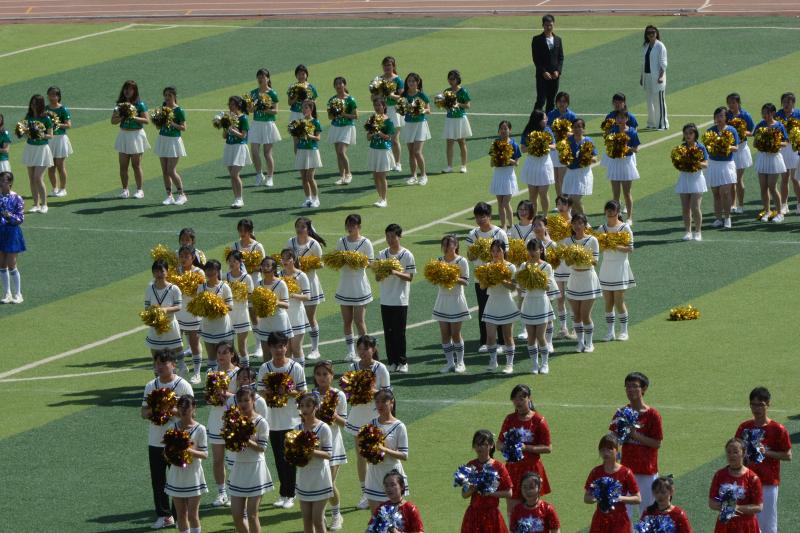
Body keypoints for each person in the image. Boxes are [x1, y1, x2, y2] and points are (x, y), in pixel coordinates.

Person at [140, 351, 194, 531]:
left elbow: (190, 414)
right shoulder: (151, 385)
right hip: (155, 440)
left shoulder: (183, 386)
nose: (160, 367)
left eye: (164, 363)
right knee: (158, 480)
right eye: (157, 363)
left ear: (173, 364)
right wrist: (156, 409)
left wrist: (169, 408)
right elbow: (143, 413)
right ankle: (164, 516)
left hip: (177, 441)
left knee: (179, 479)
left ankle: (180, 515)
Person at [256, 332, 307, 509]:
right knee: (278, 458)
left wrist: (287, 392)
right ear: (269, 348)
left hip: (291, 420)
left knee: (289, 458)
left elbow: (303, 393)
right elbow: (260, 391)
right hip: (272, 421)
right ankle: (283, 493)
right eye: (275, 347)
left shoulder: (295, 368)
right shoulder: (265, 368)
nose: (279, 350)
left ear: (286, 347)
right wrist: (270, 392)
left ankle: (290, 493)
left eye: (282, 346)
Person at [734, 386, 792, 533]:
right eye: (753, 404)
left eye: (760, 404)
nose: (756, 409)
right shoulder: (744, 427)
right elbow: (735, 451)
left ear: (768, 404)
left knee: (767, 525)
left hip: (768, 483)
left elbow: (787, 455)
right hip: (746, 482)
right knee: (745, 523)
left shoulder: (778, 429)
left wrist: (766, 452)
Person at [345, 335, 391, 509]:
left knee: (377, 455)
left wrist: (371, 391)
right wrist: (354, 392)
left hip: (375, 417)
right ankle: (365, 493)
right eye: (360, 349)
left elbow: (388, 396)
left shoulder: (381, 369)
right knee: (361, 457)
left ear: (373, 349)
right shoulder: (353, 367)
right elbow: (348, 393)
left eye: (366, 349)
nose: (363, 352)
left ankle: (381, 491)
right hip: (358, 416)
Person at [609, 372, 663, 520]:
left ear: (644, 389)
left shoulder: (653, 415)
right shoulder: (621, 413)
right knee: (622, 513)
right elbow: (612, 438)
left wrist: (634, 435)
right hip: (625, 470)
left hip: (647, 471)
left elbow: (657, 443)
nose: (630, 390)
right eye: (627, 387)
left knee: (648, 513)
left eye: (634, 386)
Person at [498, 384, 552, 519]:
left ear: (529, 399)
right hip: (513, 470)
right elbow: (499, 444)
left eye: (522, 398)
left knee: (533, 511)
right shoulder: (509, 419)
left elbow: (548, 448)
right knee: (513, 513)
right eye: (515, 399)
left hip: (532, 470)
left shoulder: (539, 420)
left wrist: (526, 448)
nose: (518, 402)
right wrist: (509, 447)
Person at [228, 387, 272, 533]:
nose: (243, 404)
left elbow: (262, 448)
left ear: (253, 400)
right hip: (239, 468)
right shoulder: (233, 421)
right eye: (240, 401)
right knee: (237, 516)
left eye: (246, 400)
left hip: (255, 469)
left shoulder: (261, 422)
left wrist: (245, 439)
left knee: (252, 515)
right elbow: (231, 445)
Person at [466, 202, 508, 353]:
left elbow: (506, 255)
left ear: (489, 216)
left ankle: (503, 342)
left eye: (483, 216)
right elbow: (470, 257)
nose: (480, 220)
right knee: (483, 309)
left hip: (498, 278)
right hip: (481, 279)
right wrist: (479, 251)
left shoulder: (499, 233)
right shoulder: (473, 234)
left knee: (501, 308)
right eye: (477, 217)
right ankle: (485, 341)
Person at [312, 361, 348, 531]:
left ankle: (336, 515)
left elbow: (345, 423)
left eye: (325, 374)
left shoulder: (339, 395)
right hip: (316, 444)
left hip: (333, 444)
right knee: (319, 483)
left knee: (329, 483)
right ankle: (321, 516)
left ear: (332, 376)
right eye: (318, 374)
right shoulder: (311, 395)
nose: (322, 377)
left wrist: (333, 415)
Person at [165, 395, 208, 533]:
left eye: (186, 407)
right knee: (181, 515)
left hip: (193, 474)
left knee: (192, 515)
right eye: (180, 407)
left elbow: (205, 454)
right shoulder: (172, 427)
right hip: (177, 474)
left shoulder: (200, 429)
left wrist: (187, 450)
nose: (183, 410)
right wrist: (172, 455)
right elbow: (166, 452)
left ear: (193, 408)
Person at [335, 214, 374, 361]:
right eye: (348, 225)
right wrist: (342, 260)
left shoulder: (365, 242)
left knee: (359, 321)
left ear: (359, 226)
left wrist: (358, 261)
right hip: (345, 286)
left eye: (353, 225)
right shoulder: (341, 241)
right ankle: (351, 351)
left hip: (359, 286)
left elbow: (371, 263)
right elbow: (336, 260)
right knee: (347, 321)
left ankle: (364, 351)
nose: (350, 227)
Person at [377, 223, 416, 373]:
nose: (390, 239)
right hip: (385, 299)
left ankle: (402, 361)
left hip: (400, 300)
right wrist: (382, 272)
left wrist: (394, 272)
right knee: (388, 332)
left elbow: (410, 277)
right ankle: (392, 361)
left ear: (400, 237)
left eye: (393, 236)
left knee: (399, 333)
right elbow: (377, 277)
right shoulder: (382, 254)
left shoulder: (407, 255)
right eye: (387, 236)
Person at [584, 434, 641, 533]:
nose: (605, 452)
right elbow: (586, 498)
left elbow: (638, 498)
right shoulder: (596, 472)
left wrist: (618, 498)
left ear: (617, 450)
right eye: (602, 449)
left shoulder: (626, 472)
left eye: (610, 449)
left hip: (620, 521)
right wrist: (598, 497)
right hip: (600, 519)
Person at [294, 392, 334, 533]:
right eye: (302, 406)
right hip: (304, 477)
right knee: (307, 519)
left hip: (320, 478)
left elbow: (328, 454)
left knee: (317, 519)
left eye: (308, 405)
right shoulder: (297, 429)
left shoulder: (323, 428)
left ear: (316, 407)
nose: (304, 409)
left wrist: (309, 450)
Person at [460, 429, 513, 533]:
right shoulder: (470, 465)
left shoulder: (499, 466)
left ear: (491, 445)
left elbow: (509, 493)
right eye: (477, 444)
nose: (480, 447)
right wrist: (473, 488)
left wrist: (490, 493)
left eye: (483, 444)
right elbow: (464, 494)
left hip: (492, 515)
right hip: (473, 515)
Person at [207, 342, 239, 509]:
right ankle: (222, 492)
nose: (221, 355)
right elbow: (208, 397)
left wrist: (224, 394)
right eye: (219, 352)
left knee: (234, 460)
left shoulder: (239, 373)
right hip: (216, 419)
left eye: (225, 352)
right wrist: (212, 397)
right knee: (218, 460)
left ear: (232, 354)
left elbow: (244, 397)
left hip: (234, 420)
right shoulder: (212, 372)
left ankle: (235, 493)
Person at [364, 390, 409, 511]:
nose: (380, 405)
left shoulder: (399, 426)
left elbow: (404, 455)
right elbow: (365, 450)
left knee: (395, 518)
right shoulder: (371, 423)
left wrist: (384, 450)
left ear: (392, 403)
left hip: (393, 477)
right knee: (376, 518)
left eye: (384, 401)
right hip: (374, 475)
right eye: (377, 401)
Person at [288, 217, 326, 359]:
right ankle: (294, 348)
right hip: (294, 285)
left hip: (310, 284)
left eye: (303, 227)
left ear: (308, 229)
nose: (300, 229)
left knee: (310, 318)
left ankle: (315, 349)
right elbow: (285, 259)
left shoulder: (314, 244)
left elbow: (320, 264)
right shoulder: (291, 242)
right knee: (293, 317)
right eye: (298, 226)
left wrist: (308, 264)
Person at [597, 201, 635, 342]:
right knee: (608, 302)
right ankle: (610, 331)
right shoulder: (602, 229)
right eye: (608, 210)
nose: (610, 213)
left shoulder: (625, 228)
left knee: (619, 301)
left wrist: (614, 245)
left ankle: (624, 331)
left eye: (612, 210)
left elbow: (630, 248)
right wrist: (604, 244)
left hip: (620, 267)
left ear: (618, 212)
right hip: (606, 267)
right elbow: (598, 248)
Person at [433, 234, 471, 373]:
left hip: (456, 299)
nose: (446, 247)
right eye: (444, 245)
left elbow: (466, 281)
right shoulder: (439, 261)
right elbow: (434, 279)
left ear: (456, 245)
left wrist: (452, 277)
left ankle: (460, 362)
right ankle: (450, 362)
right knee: (445, 334)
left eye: (449, 244)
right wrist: (437, 277)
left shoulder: (461, 261)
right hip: (442, 299)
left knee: (455, 334)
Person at [518, 239, 557, 374]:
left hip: (541, 302)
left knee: (540, 336)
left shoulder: (547, 266)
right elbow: (521, 286)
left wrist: (537, 278)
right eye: (529, 250)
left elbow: (548, 287)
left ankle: (545, 364)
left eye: (534, 249)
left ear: (541, 250)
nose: (532, 252)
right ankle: (535, 364)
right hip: (529, 302)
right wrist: (525, 280)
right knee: (531, 337)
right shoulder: (524, 266)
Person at [708, 438, 763, 533]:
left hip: (746, 526)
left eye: (735, 452)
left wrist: (736, 508)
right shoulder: (719, 475)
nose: (731, 455)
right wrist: (724, 507)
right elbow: (711, 502)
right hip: (725, 525)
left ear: (743, 453)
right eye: (728, 452)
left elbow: (758, 507)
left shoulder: (752, 478)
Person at [563, 213, 600, 352]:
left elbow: (595, 261)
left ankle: (589, 343)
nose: (577, 226)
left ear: (585, 224)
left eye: (580, 223)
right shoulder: (567, 241)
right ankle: (580, 343)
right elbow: (567, 263)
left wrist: (582, 256)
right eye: (574, 223)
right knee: (576, 315)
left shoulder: (592, 240)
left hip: (588, 279)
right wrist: (573, 258)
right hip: (574, 279)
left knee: (585, 315)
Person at [481, 240, 518, 374]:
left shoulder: (511, 267)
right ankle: (493, 361)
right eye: (493, 251)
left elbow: (513, 287)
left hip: (506, 302)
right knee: (490, 337)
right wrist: (488, 279)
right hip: (492, 302)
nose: (495, 253)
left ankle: (509, 364)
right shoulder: (487, 266)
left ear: (504, 251)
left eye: (498, 251)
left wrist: (501, 279)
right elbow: (482, 287)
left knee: (507, 336)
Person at [111, 80, 149, 199]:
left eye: (130, 89)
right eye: (126, 88)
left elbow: (146, 120)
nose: (127, 91)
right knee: (123, 165)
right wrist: (122, 117)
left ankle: (140, 190)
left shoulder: (140, 104)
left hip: (136, 135)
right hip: (124, 135)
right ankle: (125, 190)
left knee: (136, 165)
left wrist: (133, 117)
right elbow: (113, 121)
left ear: (134, 91)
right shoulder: (120, 105)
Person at [705, 107, 740, 229]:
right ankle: (718, 219)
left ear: (726, 118)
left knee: (725, 192)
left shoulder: (731, 130)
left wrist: (725, 146)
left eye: (721, 116)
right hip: (714, 165)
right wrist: (714, 146)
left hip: (726, 165)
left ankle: (727, 218)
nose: (718, 118)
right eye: (717, 116)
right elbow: (706, 148)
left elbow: (736, 147)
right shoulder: (710, 131)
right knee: (716, 194)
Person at [753, 103, 788, 223]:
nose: (764, 115)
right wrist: (761, 143)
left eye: (767, 113)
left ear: (773, 113)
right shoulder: (760, 125)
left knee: (772, 186)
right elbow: (755, 142)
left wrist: (774, 143)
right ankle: (767, 211)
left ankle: (780, 213)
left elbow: (786, 142)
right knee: (763, 187)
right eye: (763, 113)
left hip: (774, 158)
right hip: (762, 157)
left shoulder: (779, 126)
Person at [174, 245, 205, 382]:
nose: (183, 259)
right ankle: (182, 366)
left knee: (194, 343)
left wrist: (192, 290)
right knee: (176, 341)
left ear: (193, 258)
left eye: (186, 256)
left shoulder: (199, 272)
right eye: (181, 256)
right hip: (179, 311)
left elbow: (202, 292)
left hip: (193, 312)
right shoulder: (176, 271)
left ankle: (197, 373)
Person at [197, 259, 234, 374]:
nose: (209, 272)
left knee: (226, 356)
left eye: (212, 270)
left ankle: (229, 378)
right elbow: (198, 307)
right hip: (208, 326)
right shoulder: (201, 287)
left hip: (223, 327)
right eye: (207, 270)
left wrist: (217, 306)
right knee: (212, 357)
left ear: (218, 271)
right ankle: (213, 380)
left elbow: (230, 306)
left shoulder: (224, 287)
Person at [604, 111, 641, 224]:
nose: (620, 120)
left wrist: (625, 148)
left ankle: (629, 217)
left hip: (626, 162)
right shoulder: (613, 130)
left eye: (622, 118)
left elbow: (636, 149)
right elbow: (608, 145)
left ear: (626, 119)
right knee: (616, 193)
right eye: (618, 118)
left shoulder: (632, 132)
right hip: (615, 162)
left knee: (627, 193)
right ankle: (617, 216)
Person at [153, 86, 187, 206]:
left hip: (173, 141)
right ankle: (169, 196)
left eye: (169, 95)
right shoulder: (163, 109)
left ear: (174, 97)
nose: (167, 98)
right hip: (163, 139)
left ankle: (182, 195)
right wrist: (158, 121)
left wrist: (172, 123)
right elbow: (159, 126)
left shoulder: (179, 110)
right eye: (165, 95)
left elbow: (184, 127)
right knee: (164, 171)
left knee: (171, 170)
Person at [674, 123, 709, 241]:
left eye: (691, 133)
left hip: (697, 179)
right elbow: (677, 164)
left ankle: (698, 232)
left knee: (695, 207)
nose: (688, 135)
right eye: (686, 133)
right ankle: (688, 232)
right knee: (685, 208)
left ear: (695, 134)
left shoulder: (701, 147)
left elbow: (706, 164)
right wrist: (683, 163)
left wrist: (694, 162)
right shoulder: (681, 148)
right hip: (684, 178)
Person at [248, 68, 281, 187]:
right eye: (259, 77)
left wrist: (265, 108)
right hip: (256, 124)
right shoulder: (253, 93)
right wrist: (254, 107)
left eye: (263, 77)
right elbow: (250, 110)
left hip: (268, 124)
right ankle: (259, 174)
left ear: (268, 78)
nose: (261, 79)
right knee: (254, 151)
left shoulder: (272, 93)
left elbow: (275, 111)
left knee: (267, 153)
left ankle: (270, 177)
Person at [22, 94, 54, 213]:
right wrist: (24, 132)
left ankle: (44, 204)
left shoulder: (46, 118)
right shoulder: (28, 116)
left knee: (38, 178)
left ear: (40, 104)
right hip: (30, 148)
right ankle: (36, 204)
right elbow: (24, 131)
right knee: (31, 178)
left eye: (36, 103)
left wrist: (39, 133)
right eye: (32, 103)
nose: (33, 105)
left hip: (42, 150)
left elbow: (50, 135)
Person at [520, 109, 556, 215]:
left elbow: (554, 146)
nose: (547, 120)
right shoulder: (528, 131)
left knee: (543, 193)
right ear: (538, 120)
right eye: (545, 118)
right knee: (532, 195)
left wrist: (543, 145)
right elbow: (523, 149)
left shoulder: (547, 130)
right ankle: (533, 217)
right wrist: (534, 146)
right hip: (532, 164)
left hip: (544, 164)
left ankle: (545, 216)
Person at [144, 260, 183, 357]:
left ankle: (181, 364)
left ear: (167, 272)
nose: (159, 274)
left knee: (176, 350)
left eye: (162, 271)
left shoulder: (174, 289)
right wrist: (152, 314)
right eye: (156, 271)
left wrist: (165, 310)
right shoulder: (149, 289)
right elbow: (147, 308)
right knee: (155, 352)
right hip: (155, 327)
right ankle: (157, 367)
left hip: (170, 325)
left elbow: (179, 306)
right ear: (153, 273)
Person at [279, 248, 311, 364]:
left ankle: (300, 372)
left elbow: (307, 296)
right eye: (283, 258)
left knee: (296, 348)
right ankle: (289, 372)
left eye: (288, 258)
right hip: (284, 315)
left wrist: (293, 295)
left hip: (297, 314)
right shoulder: (279, 275)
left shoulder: (301, 275)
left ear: (294, 259)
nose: (285, 261)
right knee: (286, 350)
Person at [561, 118, 598, 215]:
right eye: (574, 127)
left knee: (574, 199)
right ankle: (576, 221)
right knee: (572, 204)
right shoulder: (568, 141)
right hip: (570, 173)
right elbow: (563, 158)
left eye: (579, 127)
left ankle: (584, 220)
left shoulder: (588, 141)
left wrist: (586, 157)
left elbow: (595, 158)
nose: (577, 129)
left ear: (583, 129)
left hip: (583, 174)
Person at [489, 120, 522, 230]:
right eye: (501, 128)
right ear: (498, 131)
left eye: (505, 128)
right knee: (500, 203)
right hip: (498, 174)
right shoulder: (495, 144)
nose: (503, 130)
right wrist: (496, 158)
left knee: (505, 203)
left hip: (508, 175)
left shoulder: (514, 145)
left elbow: (517, 163)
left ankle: (511, 226)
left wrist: (506, 157)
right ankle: (503, 225)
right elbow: (491, 163)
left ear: (510, 130)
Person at [401, 72, 431, 186]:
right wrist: (402, 109)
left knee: (417, 152)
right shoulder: (404, 95)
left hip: (420, 125)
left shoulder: (421, 95)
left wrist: (421, 110)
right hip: (409, 125)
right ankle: (413, 176)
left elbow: (429, 110)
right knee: (411, 152)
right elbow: (401, 109)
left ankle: (423, 175)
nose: (411, 83)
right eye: (409, 81)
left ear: (417, 82)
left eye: (413, 81)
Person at [726, 93, 755, 214]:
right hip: (730, 150)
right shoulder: (726, 114)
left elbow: (753, 131)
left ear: (738, 103)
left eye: (733, 102)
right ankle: (733, 204)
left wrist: (742, 132)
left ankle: (741, 205)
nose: (731, 105)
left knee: (738, 179)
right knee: (731, 180)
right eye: (729, 102)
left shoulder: (745, 115)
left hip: (741, 150)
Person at [0, 171, 26, 304]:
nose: (1, 183)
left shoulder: (17, 198)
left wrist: (9, 216)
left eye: (3, 181)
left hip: (12, 233)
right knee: (1, 264)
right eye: (0, 180)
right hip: (0, 232)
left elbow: (20, 219)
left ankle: (18, 294)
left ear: (10, 182)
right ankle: (7, 293)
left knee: (11, 264)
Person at [366, 97, 396, 208]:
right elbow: (368, 137)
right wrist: (371, 133)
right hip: (373, 149)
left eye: (379, 105)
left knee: (382, 176)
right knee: (375, 175)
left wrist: (378, 132)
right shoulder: (372, 119)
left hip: (384, 150)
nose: (377, 107)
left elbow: (388, 137)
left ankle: (384, 199)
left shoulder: (389, 121)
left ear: (384, 106)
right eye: (375, 105)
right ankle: (380, 197)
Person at [222, 95, 251, 209]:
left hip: (239, 147)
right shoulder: (227, 118)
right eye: (229, 104)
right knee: (232, 175)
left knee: (235, 174)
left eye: (233, 104)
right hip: (229, 147)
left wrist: (233, 130)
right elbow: (224, 136)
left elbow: (243, 135)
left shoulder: (243, 118)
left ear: (238, 105)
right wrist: (226, 128)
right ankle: (236, 198)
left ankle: (240, 198)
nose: (230, 106)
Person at [328, 76, 358, 186]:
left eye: (340, 83)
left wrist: (343, 114)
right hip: (335, 127)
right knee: (338, 154)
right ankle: (342, 176)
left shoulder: (350, 99)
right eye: (336, 84)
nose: (338, 86)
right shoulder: (332, 100)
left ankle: (349, 174)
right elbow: (330, 117)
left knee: (341, 152)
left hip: (347, 127)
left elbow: (355, 116)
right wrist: (334, 113)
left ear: (344, 85)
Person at [531, 14, 564, 113]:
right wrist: (543, 72)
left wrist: (558, 71)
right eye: (546, 25)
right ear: (543, 25)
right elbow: (536, 59)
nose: (549, 27)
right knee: (541, 100)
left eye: (550, 25)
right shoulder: (537, 40)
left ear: (553, 25)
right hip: (542, 76)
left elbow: (561, 57)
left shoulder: (558, 39)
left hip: (554, 76)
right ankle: (535, 120)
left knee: (551, 101)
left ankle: (549, 121)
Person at [225, 250, 254, 365]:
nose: (232, 263)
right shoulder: (225, 276)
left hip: (242, 314)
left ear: (240, 262)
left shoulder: (247, 278)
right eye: (230, 261)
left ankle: (246, 370)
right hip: (229, 314)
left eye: (234, 261)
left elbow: (251, 295)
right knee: (229, 346)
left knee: (242, 346)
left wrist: (241, 294)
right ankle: (232, 369)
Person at [442, 69, 472, 173]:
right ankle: (449, 166)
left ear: (457, 79)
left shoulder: (463, 91)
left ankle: (464, 166)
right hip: (450, 119)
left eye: (452, 79)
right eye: (449, 79)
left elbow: (468, 105)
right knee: (449, 143)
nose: (450, 81)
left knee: (461, 142)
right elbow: (445, 106)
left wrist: (458, 104)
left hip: (460, 119)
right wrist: (444, 105)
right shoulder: (446, 91)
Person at [378, 56, 405, 171]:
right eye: (385, 65)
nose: (387, 67)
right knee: (384, 138)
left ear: (393, 66)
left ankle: (398, 163)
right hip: (382, 111)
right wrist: (378, 95)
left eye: (389, 65)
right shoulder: (379, 79)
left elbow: (402, 97)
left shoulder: (398, 80)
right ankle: (388, 162)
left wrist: (391, 95)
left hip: (394, 110)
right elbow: (373, 96)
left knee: (394, 139)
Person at [775, 92, 800, 215]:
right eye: (784, 102)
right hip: (783, 149)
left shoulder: (798, 114)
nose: (786, 104)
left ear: (793, 103)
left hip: (795, 149)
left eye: (788, 102)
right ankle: (784, 204)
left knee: (795, 179)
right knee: (784, 178)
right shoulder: (777, 115)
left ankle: (799, 203)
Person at [45, 86, 72, 198]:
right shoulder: (45, 109)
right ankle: (54, 188)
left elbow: (68, 125)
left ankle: (63, 189)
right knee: (50, 166)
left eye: (54, 95)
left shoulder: (63, 109)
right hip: (49, 139)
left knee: (60, 165)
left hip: (60, 139)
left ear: (58, 96)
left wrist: (57, 124)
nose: (52, 97)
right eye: (50, 94)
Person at [295, 99, 323, 208]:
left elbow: (318, 138)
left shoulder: (316, 122)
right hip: (301, 150)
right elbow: (296, 138)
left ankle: (316, 199)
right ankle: (308, 199)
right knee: (303, 177)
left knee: (310, 177)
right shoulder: (299, 122)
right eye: (302, 107)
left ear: (311, 109)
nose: (304, 110)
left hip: (312, 150)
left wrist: (308, 135)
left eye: (306, 107)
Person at [640, 25, 668, 130]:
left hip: (657, 77)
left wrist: (661, 77)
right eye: (649, 33)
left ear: (656, 33)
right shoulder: (646, 46)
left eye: (653, 32)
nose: (651, 35)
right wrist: (642, 77)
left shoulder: (660, 46)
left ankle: (662, 124)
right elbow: (643, 63)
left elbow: (663, 63)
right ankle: (651, 123)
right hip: (647, 76)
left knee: (659, 101)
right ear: (646, 35)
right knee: (649, 101)